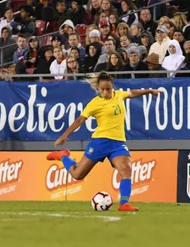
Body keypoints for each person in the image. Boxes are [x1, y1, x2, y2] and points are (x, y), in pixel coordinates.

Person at [46, 72, 161, 212]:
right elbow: (80, 120)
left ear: (112, 86)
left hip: (118, 143)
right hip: (99, 142)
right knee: (77, 175)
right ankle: (62, 156)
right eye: (102, 89)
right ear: (98, 89)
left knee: (126, 169)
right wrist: (64, 136)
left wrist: (150, 91)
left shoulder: (118, 95)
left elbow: (132, 93)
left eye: (108, 89)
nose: (106, 92)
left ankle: (124, 204)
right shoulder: (95, 103)